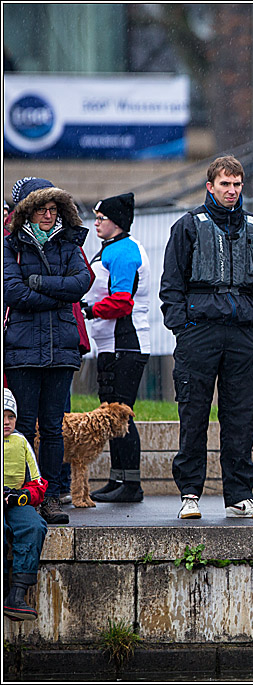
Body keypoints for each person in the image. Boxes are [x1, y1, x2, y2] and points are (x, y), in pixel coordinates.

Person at [159, 156, 253, 520]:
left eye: (237, 184)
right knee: (193, 413)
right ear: (210, 186)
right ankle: (189, 493)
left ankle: (239, 495)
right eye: (225, 184)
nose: (232, 191)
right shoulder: (188, 226)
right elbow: (172, 284)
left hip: (243, 334)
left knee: (241, 417)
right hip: (199, 331)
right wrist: (182, 327)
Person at [3, 177, 92, 525]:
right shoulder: (11, 246)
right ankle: (21, 491)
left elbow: (82, 283)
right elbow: (13, 292)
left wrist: (38, 283)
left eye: (54, 209)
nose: (48, 215)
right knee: (23, 424)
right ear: (27, 211)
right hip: (23, 348)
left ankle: (51, 495)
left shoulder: (69, 243)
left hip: (61, 348)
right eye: (41, 209)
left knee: (53, 427)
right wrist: (59, 293)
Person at [81, 192, 150, 503]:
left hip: (127, 342)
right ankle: (117, 478)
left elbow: (122, 302)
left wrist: (90, 310)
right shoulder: (110, 248)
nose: (96, 222)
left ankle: (131, 484)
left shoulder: (123, 251)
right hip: (111, 343)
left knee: (121, 414)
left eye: (101, 218)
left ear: (117, 223)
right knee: (111, 413)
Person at [3, 389, 48, 621]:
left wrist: (21, 496)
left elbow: (38, 484)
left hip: (15, 500)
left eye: (11, 416)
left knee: (34, 527)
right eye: (2, 415)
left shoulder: (21, 442)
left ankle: (17, 596)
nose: (6, 422)